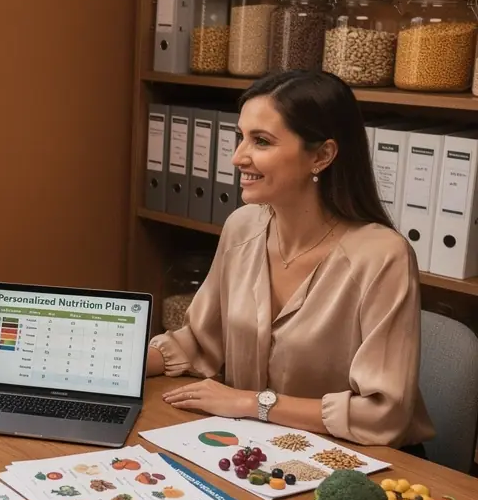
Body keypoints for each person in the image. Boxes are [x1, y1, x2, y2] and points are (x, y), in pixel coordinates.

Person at [147, 70, 434, 451]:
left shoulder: (383, 256)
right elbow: (198, 343)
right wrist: (111, 362)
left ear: (322, 155)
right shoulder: (242, 227)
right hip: (258, 446)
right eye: (240, 137)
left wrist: (253, 403)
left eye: (261, 141)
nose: (237, 158)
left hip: (354, 458)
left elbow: (385, 413)